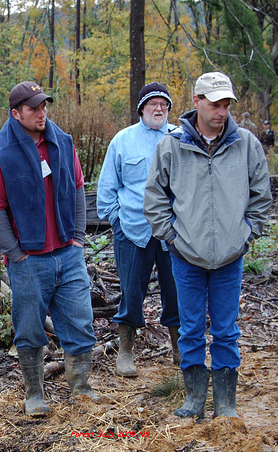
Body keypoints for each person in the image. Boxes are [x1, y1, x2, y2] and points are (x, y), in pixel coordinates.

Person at [144, 72, 272, 419]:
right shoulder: (172, 145)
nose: (222, 111)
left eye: (227, 104)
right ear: (197, 101)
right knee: (190, 329)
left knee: (227, 329)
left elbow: (262, 196)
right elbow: (155, 197)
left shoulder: (246, 144)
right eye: (215, 104)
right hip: (186, 256)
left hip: (230, 256)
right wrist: (170, 236)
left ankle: (226, 403)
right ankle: (194, 398)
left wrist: (247, 234)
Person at [0, 81, 98, 417]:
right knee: (30, 328)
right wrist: (16, 254)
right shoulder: (2, 155)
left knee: (80, 322)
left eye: (44, 106)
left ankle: (81, 389)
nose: (41, 113)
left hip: (67, 252)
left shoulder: (62, 143)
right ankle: (35, 394)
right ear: (16, 113)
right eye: (33, 108)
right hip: (29, 259)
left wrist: (77, 238)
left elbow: (77, 188)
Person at [96, 82, 180, 378]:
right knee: (132, 292)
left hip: (175, 232)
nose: (159, 109)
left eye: (164, 104)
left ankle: (179, 350)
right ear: (141, 108)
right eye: (152, 104)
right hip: (133, 229)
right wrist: (117, 219)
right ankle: (126, 352)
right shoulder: (123, 140)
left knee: (178, 290)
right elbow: (107, 188)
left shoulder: (180, 138)